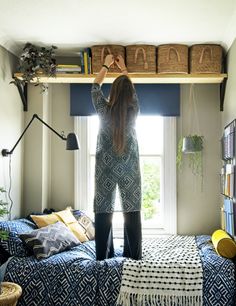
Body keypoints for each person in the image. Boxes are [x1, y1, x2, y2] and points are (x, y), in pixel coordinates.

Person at [91, 54, 142, 260]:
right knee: (132, 212)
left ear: (112, 92)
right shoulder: (134, 111)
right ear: (130, 94)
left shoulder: (103, 110)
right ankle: (133, 257)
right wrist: (124, 69)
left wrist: (106, 65)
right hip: (130, 169)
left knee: (103, 212)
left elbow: (95, 87)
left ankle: (104, 256)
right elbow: (131, 91)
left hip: (105, 170)